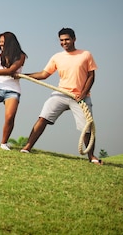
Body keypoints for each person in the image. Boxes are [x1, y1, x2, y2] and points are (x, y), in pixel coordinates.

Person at [18, 28, 102, 164]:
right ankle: (27, 147)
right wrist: (24, 75)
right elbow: (43, 74)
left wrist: (83, 93)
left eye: (67, 39)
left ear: (74, 39)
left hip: (81, 97)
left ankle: (91, 156)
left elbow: (91, 76)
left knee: (86, 126)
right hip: (61, 93)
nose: (64, 42)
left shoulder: (86, 55)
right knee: (43, 117)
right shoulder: (57, 57)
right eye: (61, 40)